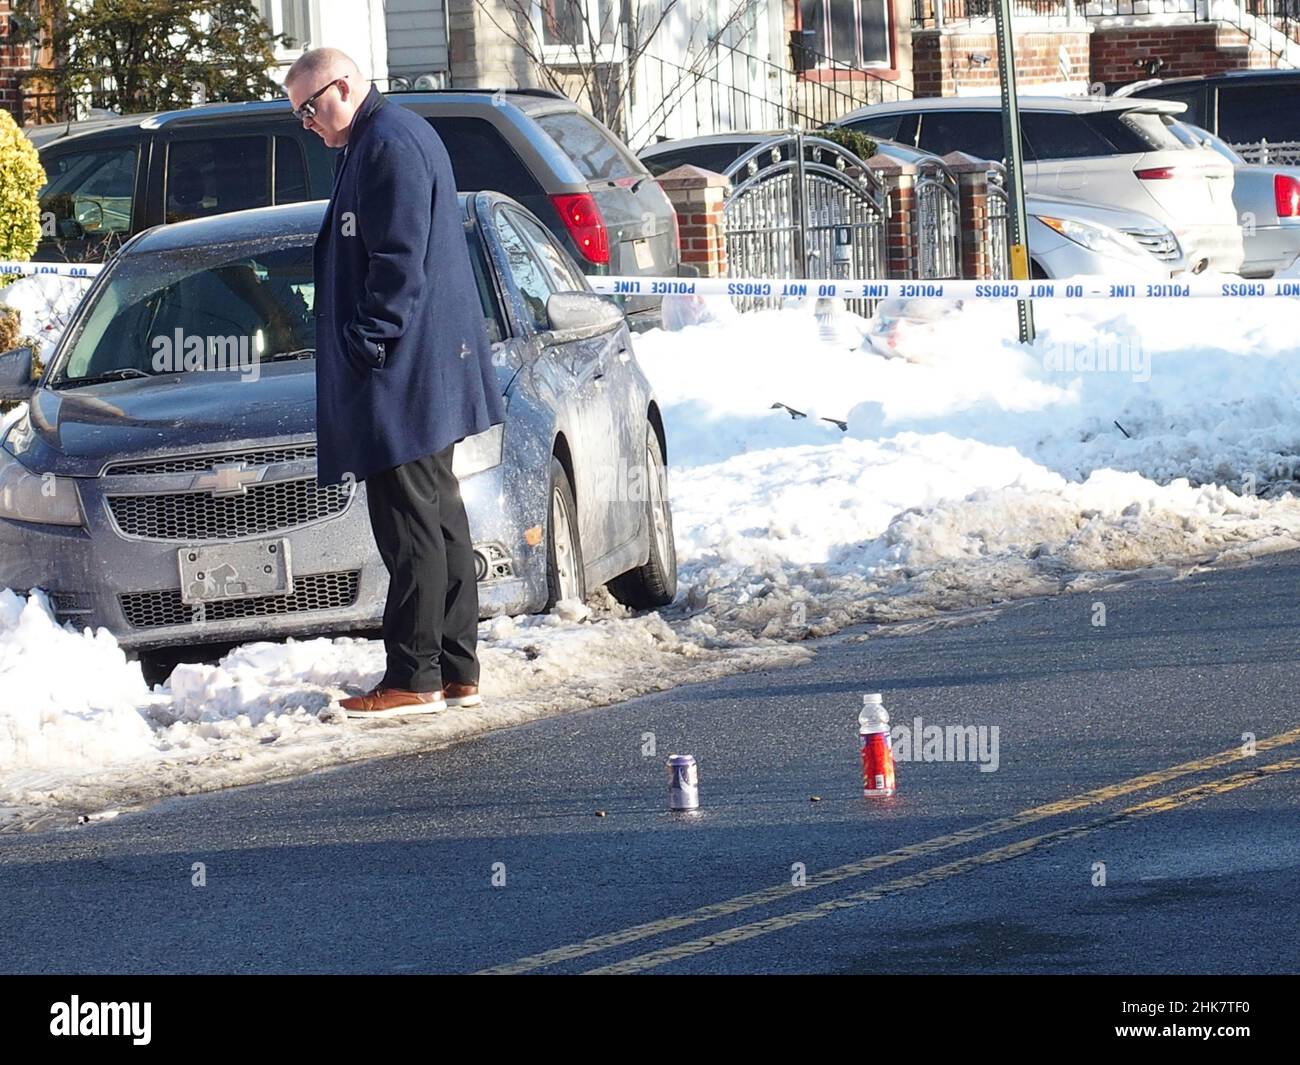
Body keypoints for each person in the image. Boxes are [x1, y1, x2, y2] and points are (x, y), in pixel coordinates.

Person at [285, 48, 506, 719]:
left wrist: (363, 344)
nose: (307, 124)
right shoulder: (383, 139)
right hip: (415, 366)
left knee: (410, 525)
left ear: (343, 87)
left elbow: (398, 264)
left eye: (309, 107)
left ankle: (416, 674)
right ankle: (454, 665)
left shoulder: (388, 144)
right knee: (437, 516)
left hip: (402, 370)